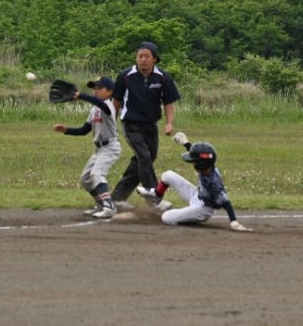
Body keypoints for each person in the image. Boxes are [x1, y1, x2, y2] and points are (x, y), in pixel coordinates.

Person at [110, 41, 181, 212]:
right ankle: (154, 195)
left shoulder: (163, 77)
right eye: (140, 56)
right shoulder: (125, 75)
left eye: (146, 56)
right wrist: (111, 123)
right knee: (144, 157)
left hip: (151, 125)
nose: (143, 59)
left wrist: (169, 123)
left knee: (144, 160)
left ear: (154, 59)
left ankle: (117, 198)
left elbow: (168, 102)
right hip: (131, 124)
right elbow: (116, 101)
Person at [136, 132, 252, 231]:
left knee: (167, 217)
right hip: (197, 195)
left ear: (201, 165)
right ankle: (156, 196)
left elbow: (225, 202)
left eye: (194, 162)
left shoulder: (214, 182)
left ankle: (188, 216)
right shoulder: (208, 166)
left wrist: (233, 221)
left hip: (203, 209)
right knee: (168, 175)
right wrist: (185, 142)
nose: (192, 163)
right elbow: (200, 155)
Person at [53, 76, 122, 219]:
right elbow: (84, 130)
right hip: (100, 149)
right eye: (94, 89)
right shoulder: (94, 110)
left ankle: (110, 207)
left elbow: (100, 103)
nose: (95, 91)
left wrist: (80, 96)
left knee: (96, 175)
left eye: (100, 88)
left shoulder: (109, 106)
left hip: (111, 147)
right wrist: (66, 130)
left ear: (110, 92)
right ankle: (101, 205)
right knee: (85, 179)